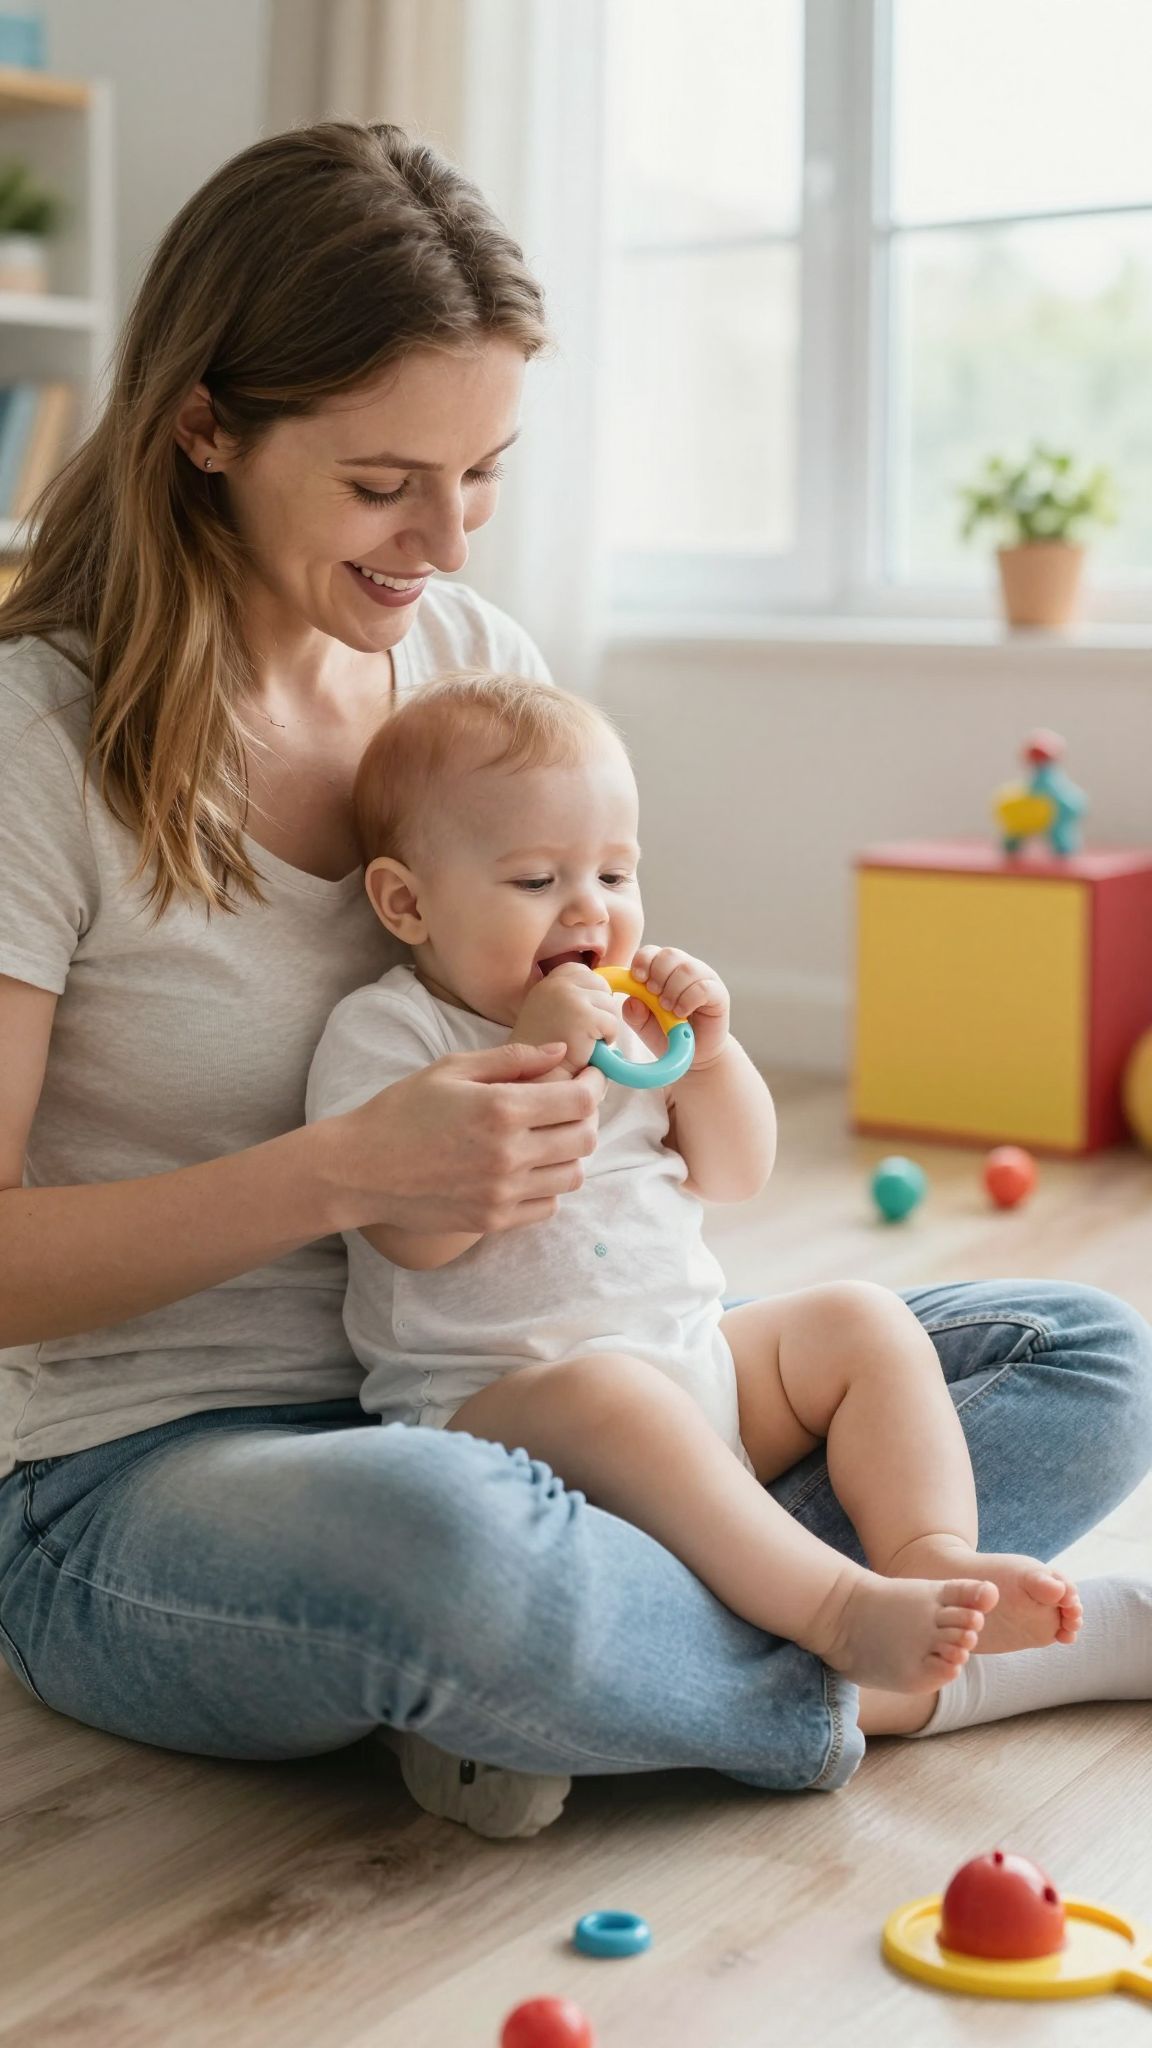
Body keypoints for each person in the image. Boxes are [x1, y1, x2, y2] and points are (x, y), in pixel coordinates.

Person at [0, 121, 1149, 1844]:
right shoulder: (36, 745)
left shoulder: (465, 671)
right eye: (386, 482)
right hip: (158, 1472)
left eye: (484, 475)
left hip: (555, 1396)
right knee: (453, 1551)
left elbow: (625, 1031)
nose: (446, 544)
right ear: (207, 429)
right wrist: (339, 1173)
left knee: (1082, 1354)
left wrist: (675, 1058)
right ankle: (884, 1669)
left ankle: (607, 1667)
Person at [306, 670, 1086, 1698]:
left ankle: (924, 1550)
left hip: (695, 1366)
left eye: (616, 876)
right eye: (537, 881)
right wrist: (534, 1063)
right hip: (501, 1410)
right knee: (612, 1395)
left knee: (859, 1317)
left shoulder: (643, 1030)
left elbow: (737, 1169)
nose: (589, 908)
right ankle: (834, 1611)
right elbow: (414, 1239)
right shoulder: (392, 1032)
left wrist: (712, 1057)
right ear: (408, 901)